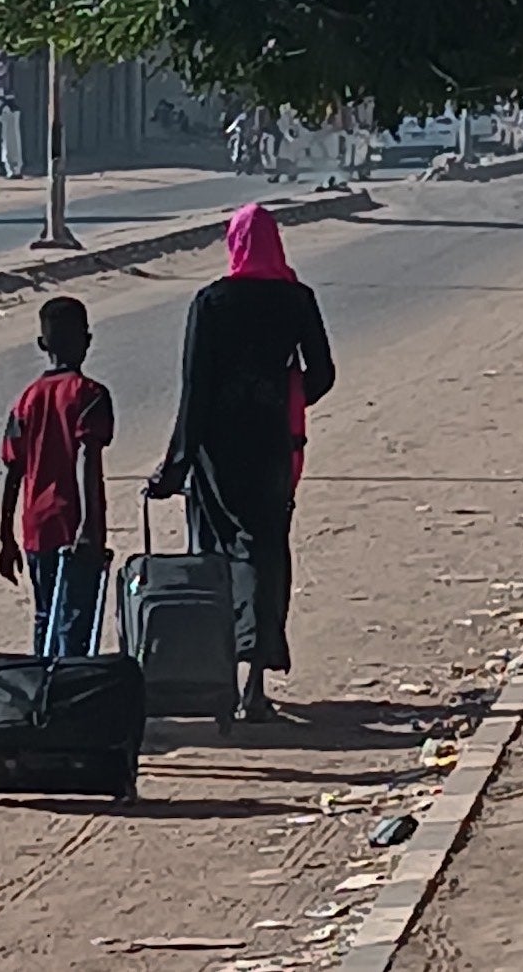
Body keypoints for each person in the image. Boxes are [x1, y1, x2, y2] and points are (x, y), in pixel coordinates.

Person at [147, 203, 335, 722]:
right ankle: (256, 684)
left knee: (213, 556)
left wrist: (175, 465)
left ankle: (219, 683)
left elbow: (195, 389)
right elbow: (321, 373)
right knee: (264, 554)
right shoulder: (298, 300)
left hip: (215, 452)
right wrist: (283, 395)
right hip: (272, 446)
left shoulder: (211, 302)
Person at [0, 296, 114, 656]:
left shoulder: (26, 400)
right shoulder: (92, 396)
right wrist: (89, 526)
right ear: (88, 340)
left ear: (42, 345)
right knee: (75, 621)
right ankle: (67, 696)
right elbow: (86, 459)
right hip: (73, 523)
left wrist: (6, 538)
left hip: (35, 528)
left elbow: (13, 472)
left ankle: (44, 689)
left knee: (45, 615)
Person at [0, 95, 26, 180]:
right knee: (15, 152)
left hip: (8, 135)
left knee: (9, 152)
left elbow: (2, 119)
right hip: (15, 136)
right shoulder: (16, 110)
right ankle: (16, 171)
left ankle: (13, 172)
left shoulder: (6, 110)